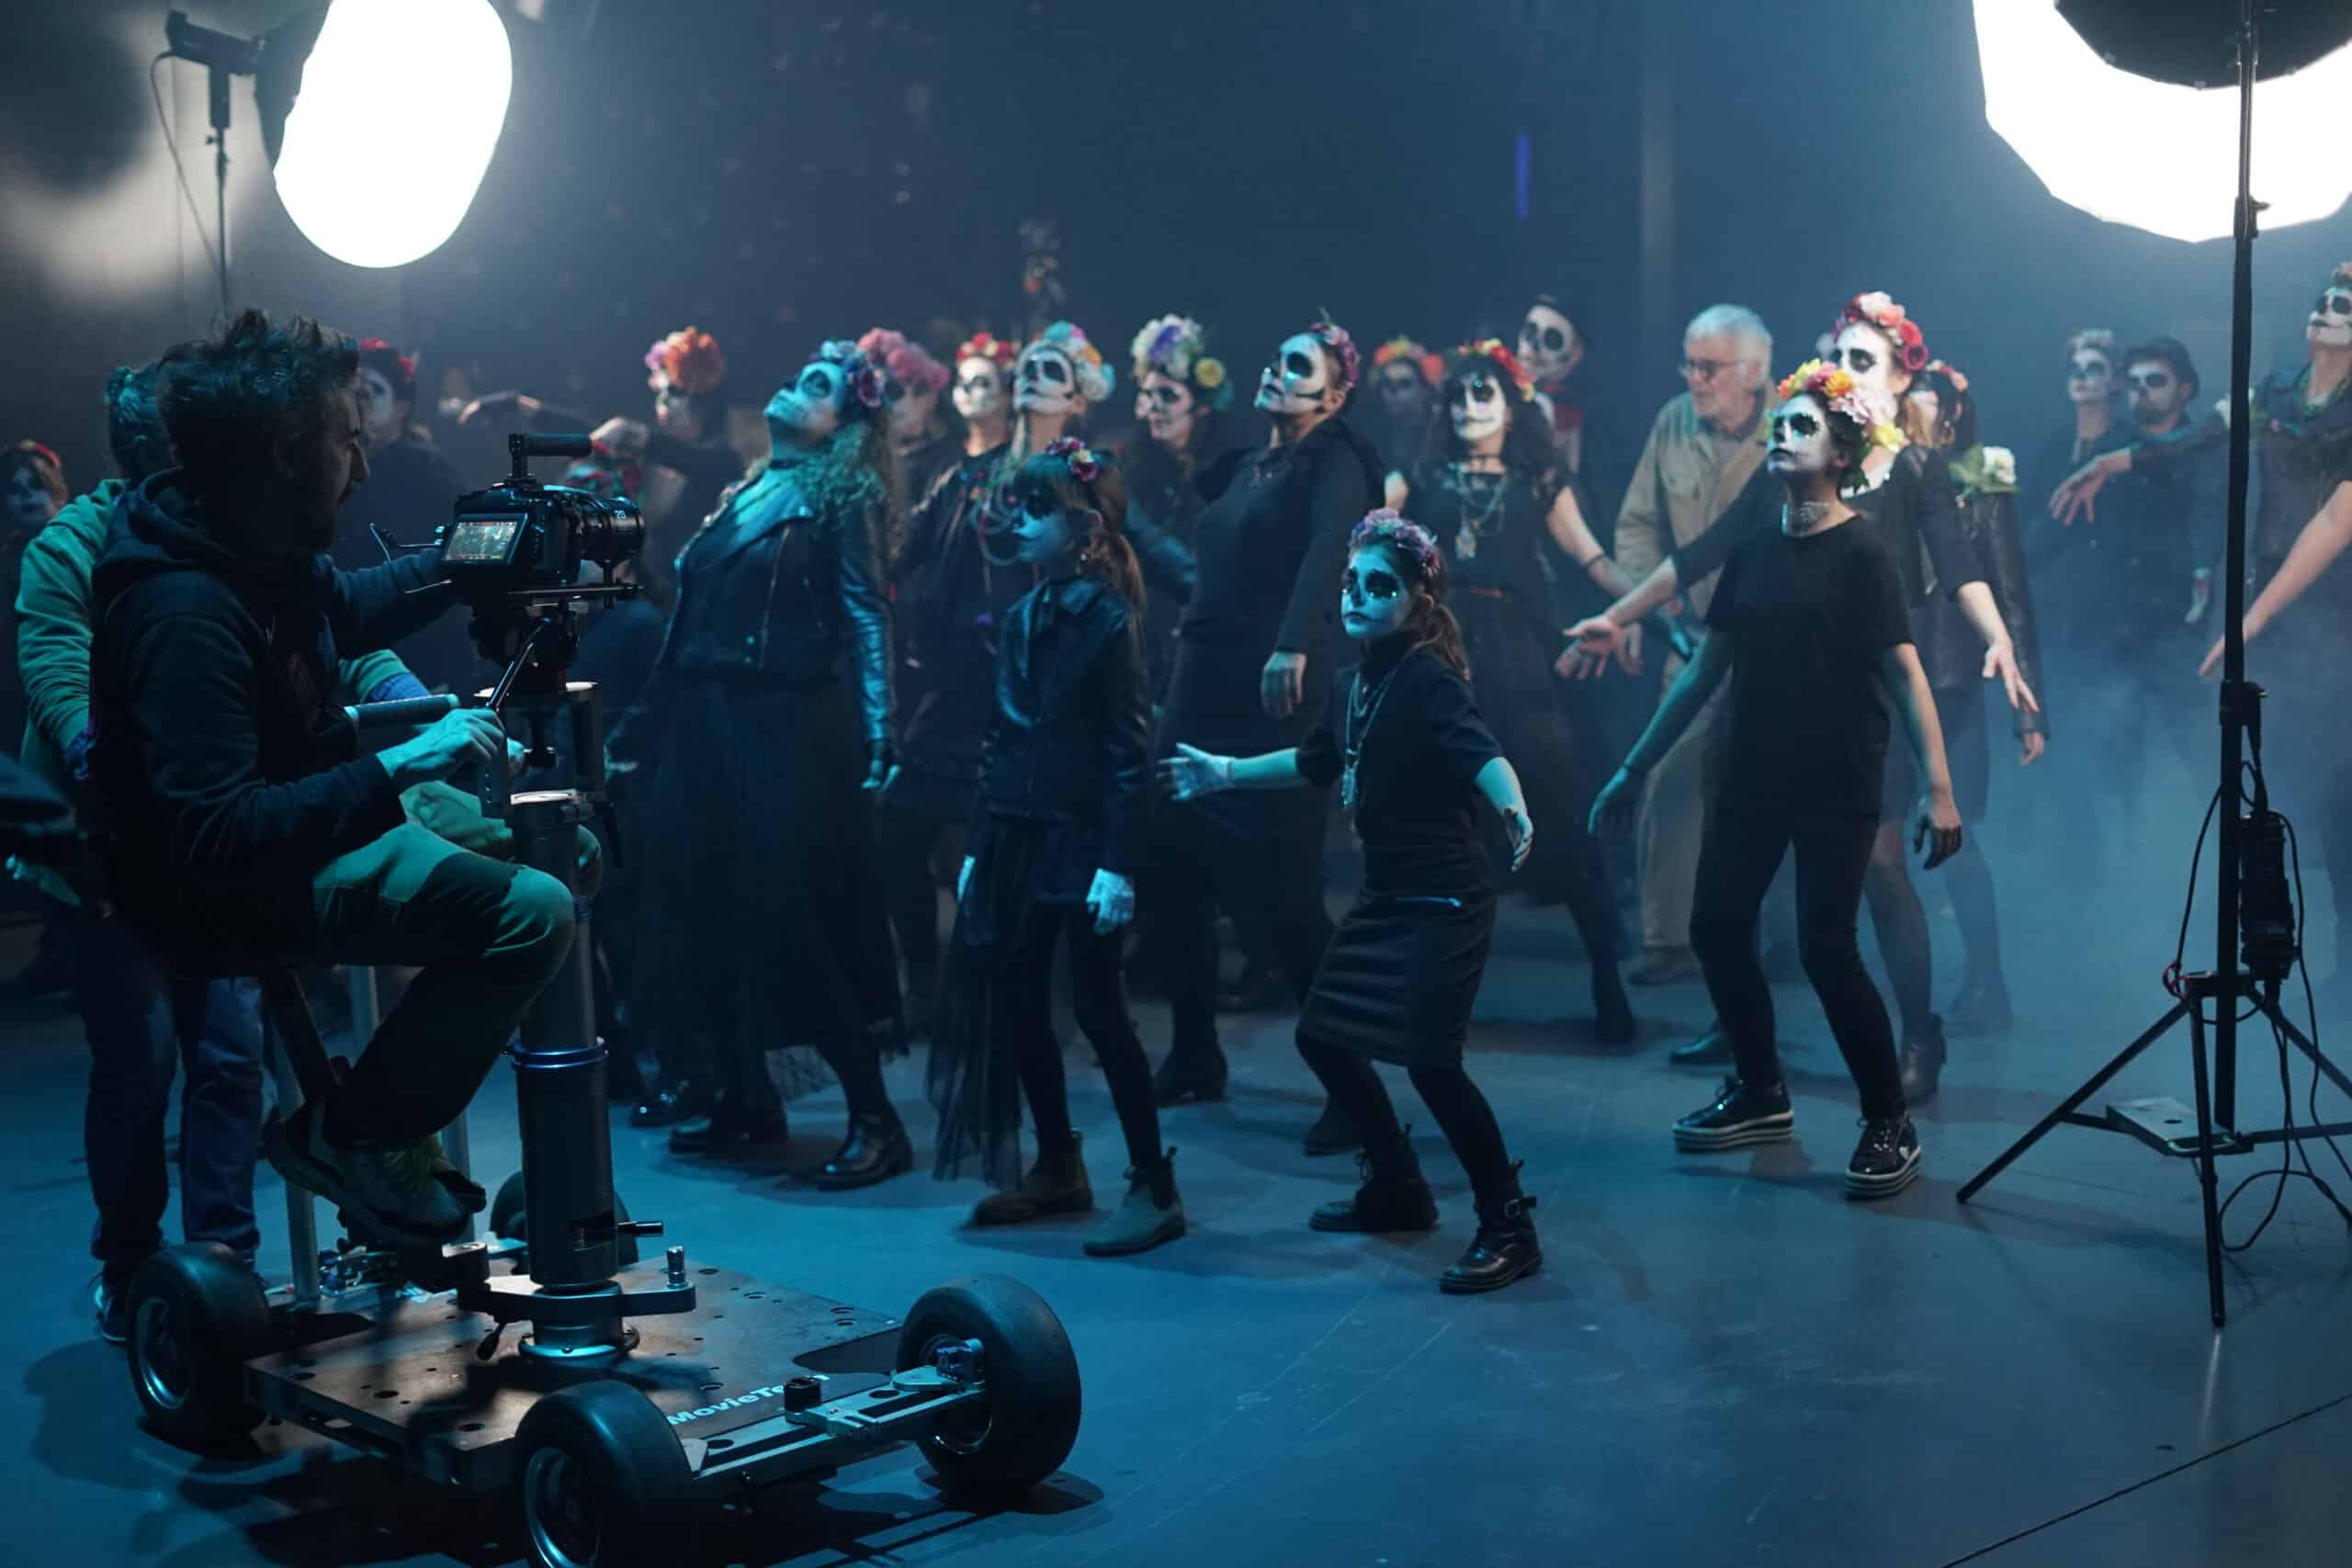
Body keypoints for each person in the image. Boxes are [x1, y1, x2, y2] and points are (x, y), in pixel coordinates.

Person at [90, 309, 585, 1248]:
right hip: (232, 888)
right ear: (285, 455)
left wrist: (470, 555)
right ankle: (354, 1134)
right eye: (345, 442)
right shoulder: (183, 609)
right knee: (532, 910)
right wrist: (400, 762)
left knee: (568, 845)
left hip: (313, 819)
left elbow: (345, 609)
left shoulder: (246, 545)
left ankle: (396, 1103)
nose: (360, 466)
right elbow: (216, 835)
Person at [27, 349, 435, 1337]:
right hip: (101, 856)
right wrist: (114, 770)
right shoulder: (80, 543)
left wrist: (401, 697)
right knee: (142, 1063)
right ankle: (132, 1262)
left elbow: (326, 624)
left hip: (209, 857)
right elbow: (56, 664)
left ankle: (223, 1270)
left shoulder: (238, 531)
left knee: (229, 1058)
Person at [1567, 292, 2039, 1084]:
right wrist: (1617, 616)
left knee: (1879, 872)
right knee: (1742, 877)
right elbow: (1705, 556)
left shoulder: (1911, 473)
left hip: (1863, 701)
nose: (1842, 369)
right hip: (1775, 693)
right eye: (1837, 355)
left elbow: (1959, 571)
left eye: (1862, 360)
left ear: (1899, 379)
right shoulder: (1788, 468)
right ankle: (1740, 1027)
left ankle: (1917, 1036)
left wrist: (1998, 639)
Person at [1591, 360, 1961, 1198]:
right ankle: (1761, 1091)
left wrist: (1937, 788)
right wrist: (1634, 766)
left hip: (1837, 777)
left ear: (1842, 454)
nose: (1782, 435)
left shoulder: (1863, 550)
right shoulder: (1757, 547)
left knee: (1828, 949)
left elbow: (1905, 675)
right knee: (1717, 927)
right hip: (1750, 771)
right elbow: (1704, 670)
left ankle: (1888, 1121)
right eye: (1779, 425)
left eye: (1802, 426)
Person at [1163, 511, 1544, 1292]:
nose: (1358, 596)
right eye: (1351, 582)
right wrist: (1224, 772)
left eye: (1379, 585)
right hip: (1386, 896)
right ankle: (1397, 1183)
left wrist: (1512, 806)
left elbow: (1483, 753)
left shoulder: (1430, 679)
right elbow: (1313, 761)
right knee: (1323, 1036)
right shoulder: (1352, 686)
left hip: (1445, 898)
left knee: (1433, 1063)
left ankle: (1509, 1224)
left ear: (1417, 602)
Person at [609, 339, 912, 1187]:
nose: (791, 385)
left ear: (845, 425)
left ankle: (876, 1118)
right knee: (709, 913)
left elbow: (866, 610)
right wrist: (638, 731)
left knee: (794, 919)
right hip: (708, 724)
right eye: (795, 374)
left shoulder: (841, 493)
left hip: (783, 725)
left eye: (817, 385)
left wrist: (882, 729)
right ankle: (747, 1100)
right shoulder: (748, 491)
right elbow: (688, 629)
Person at [928, 438, 1183, 1257]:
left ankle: (1153, 1182)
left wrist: (1118, 861)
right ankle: (1058, 1161)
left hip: (1078, 836)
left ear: (1084, 527)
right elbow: (1002, 738)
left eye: (1040, 508)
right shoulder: (1025, 615)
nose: (1021, 520)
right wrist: (980, 838)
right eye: (1022, 505)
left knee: (1100, 1006)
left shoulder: (1109, 620)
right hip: (1018, 830)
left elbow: (1128, 750)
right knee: (1017, 995)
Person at [1147, 315, 1383, 1156]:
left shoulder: (1335, 459)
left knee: (1285, 897)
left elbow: (1330, 548)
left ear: (1335, 394)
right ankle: (1193, 1052)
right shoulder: (1249, 464)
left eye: (1298, 364)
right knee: (1173, 869)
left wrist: (1294, 642)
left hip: (1271, 685)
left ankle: (1353, 1085)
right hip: (1200, 681)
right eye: (1276, 359)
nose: (1276, 371)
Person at [1385, 339, 1632, 1041]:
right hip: (1442, 647)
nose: (1468, 407)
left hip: (1520, 654)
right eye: (1458, 396)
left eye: (1482, 393)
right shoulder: (1419, 475)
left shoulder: (1538, 478)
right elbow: (1370, 540)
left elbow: (1591, 556)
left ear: (1510, 405)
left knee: (1554, 798)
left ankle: (1607, 976)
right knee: (1435, 813)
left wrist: (1647, 603)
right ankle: (1422, 994)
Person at [880, 321, 1113, 1040]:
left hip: (1039, 695)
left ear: (1078, 398)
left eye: (1052, 371)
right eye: (1028, 368)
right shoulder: (967, 476)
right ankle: (927, 984)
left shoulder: (1084, 476)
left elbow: (1133, 554)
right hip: (958, 691)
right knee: (900, 832)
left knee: (1019, 854)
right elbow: (900, 552)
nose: (1033, 379)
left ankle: (1017, 998)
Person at [1603, 304, 1773, 998]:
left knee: (1770, 794)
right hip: (1694, 638)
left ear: (1755, 373)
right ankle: (1668, 938)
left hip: (1774, 645)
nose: (1694, 379)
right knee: (1670, 775)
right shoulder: (1674, 421)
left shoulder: (1794, 428)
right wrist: (1647, 601)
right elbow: (1637, 523)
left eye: (1710, 367)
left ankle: (1778, 941)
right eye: (1689, 364)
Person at [1904, 359, 2046, 1043]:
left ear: (1953, 412)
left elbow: (2010, 590)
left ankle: (1989, 985)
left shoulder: (1981, 481)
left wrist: (2029, 708)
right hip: (1886, 671)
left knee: (1953, 837)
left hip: (1950, 674)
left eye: (1924, 396)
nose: (1911, 404)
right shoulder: (1881, 471)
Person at [336, 337, 470, 690]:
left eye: (373, 393)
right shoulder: (337, 468)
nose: (363, 404)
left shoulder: (428, 468)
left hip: (424, 643)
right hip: (362, 637)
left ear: (402, 407)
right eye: (357, 394)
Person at [859, 325, 960, 510]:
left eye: (893, 391)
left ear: (928, 398)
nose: (884, 404)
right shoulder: (867, 462)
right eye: (875, 394)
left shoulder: (951, 463)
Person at [1369, 336, 1443, 459]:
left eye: (1404, 384)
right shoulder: (1374, 436)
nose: (1394, 392)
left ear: (1425, 390)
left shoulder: (1440, 436)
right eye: (1387, 384)